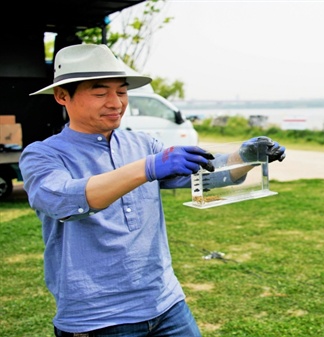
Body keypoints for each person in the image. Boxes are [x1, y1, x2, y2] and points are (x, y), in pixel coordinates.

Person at [19, 44, 286, 336]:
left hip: (166, 303)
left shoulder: (142, 144)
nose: (116, 103)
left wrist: (245, 158)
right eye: (100, 93)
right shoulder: (43, 155)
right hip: (97, 318)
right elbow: (64, 200)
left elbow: (204, 176)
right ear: (62, 96)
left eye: (121, 92)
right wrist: (146, 168)